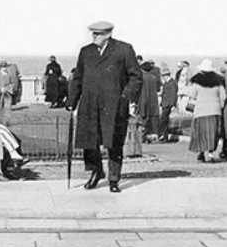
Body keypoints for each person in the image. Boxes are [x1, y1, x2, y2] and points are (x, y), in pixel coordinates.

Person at [67, 21, 143, 193]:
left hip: (114, 106)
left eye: (98, 33)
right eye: (93, 33)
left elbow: (136, 76)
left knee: (114, 143)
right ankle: (96, 171)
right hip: (89, 105)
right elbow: (78, 77)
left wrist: (125, 97)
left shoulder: (123, 50)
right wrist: (72, 101)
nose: (94, 36)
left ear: (108, 34)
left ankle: (114, 179)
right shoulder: (86, 52)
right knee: (89, 142)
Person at [188, 59, 226, 162]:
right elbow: (223, 96)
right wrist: (220, 106)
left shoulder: (197, 82)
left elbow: (192, 95)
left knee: (201, 133)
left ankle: (201, 153)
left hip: (201, 111)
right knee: (213, 133)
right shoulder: (218, 82)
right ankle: (210, 154)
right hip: (215, 110)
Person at [137, 61, 160, 143]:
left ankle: (142, 137)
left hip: (143, 100)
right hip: (153, 101)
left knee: (142, 119)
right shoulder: (154, 78)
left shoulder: (140, 77)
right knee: (152, 119)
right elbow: (158, 89)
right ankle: (151, 137)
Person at [158, 67, 178, 142]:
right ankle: (164, 135)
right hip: (165, 104)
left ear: (166, 76)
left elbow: (173, 94)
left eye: (163, 76)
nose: (163, 78)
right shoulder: (167, 83)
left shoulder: (172, 83)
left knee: (163, 120)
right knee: (164, 120)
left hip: (168, 104)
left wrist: (173, 105)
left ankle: (163, 135)